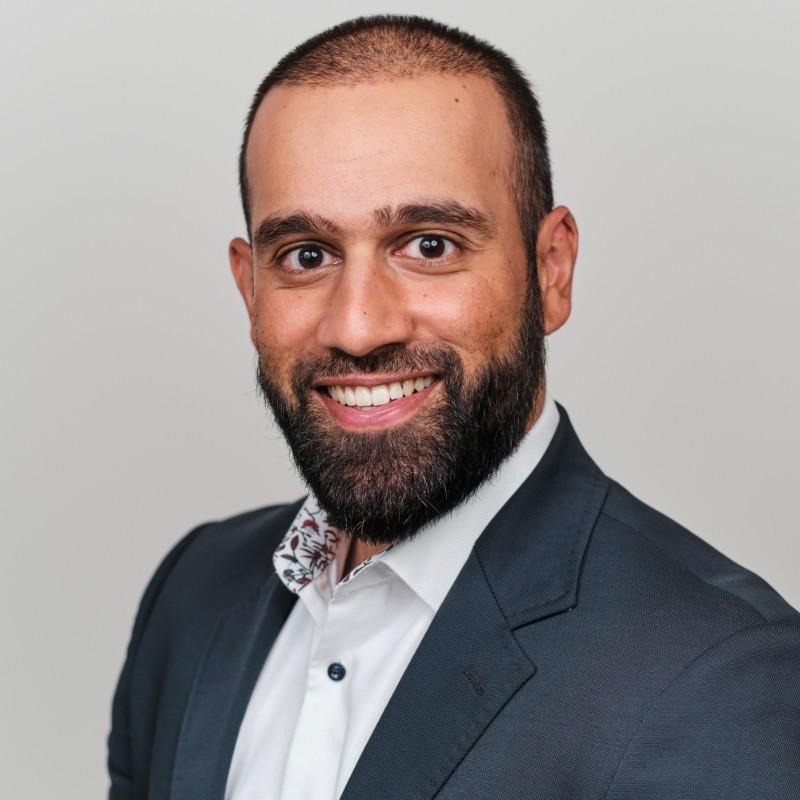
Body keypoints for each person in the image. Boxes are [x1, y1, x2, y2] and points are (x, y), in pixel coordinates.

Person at [108, 15, 800, 800]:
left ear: (551, 270)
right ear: (250, 288)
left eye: (429, 245)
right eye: (306, 255)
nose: (358, 327)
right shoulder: (192, 593)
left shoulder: (721, 680)